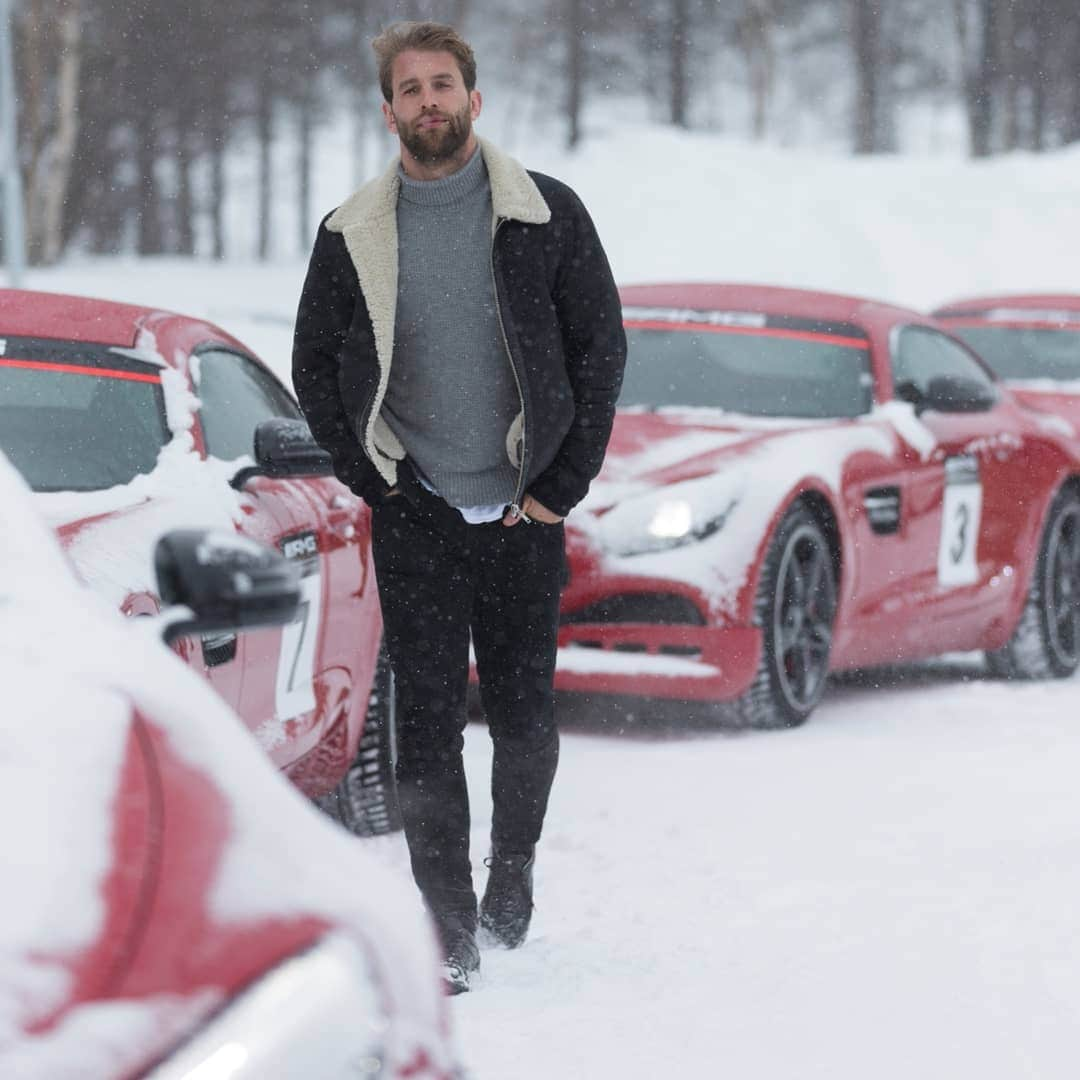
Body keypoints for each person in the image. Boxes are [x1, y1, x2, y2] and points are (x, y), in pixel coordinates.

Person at [292, 20, 625, 994]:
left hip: (526, 512)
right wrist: (379, 481)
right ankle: (444, 926)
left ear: (474, 101)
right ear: (388, 109)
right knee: (426, 724)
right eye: (411, 89)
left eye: (445, 85)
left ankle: (511, 867)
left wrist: (557, 490)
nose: (429, 101)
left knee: (522, 716)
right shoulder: (353, 233)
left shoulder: (547, 215)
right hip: (420, 512)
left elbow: (600, 354)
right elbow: (317, 367)